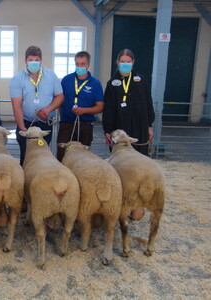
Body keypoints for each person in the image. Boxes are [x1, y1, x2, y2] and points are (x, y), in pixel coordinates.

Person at [103, 48, 155, 221]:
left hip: (139, 128)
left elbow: (148, 102)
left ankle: (138, 205)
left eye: (128, 61)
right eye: (122, 61)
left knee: (140, 165)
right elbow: (108, 109)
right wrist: (107, 130)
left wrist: (149, 125)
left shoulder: (141, 80)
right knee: (122, 167)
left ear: (133, 63)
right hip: (120, 130)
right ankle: (121, 202)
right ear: (117, 63)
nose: (125, 64)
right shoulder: (112, 83)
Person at [9, 45, 64, 165]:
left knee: (43, 156)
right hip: (26, 123)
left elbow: (60, 96)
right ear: (25, 61)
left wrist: (48, 109)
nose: (34, 63)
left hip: (45, 123)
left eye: (37, 60)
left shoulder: (51, 76)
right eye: (31, 60)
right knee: (25, 156)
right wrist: (22, 128)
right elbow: (16, 105)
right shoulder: (17, 79)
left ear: (41, 61)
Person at [57, 51, 104, 161]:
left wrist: (84, 111)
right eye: (77, 64)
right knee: (62, 154)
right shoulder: (66, 80)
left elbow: (100, 106)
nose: (80, 66)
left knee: (83, 158)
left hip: (85, 126)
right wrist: (63, 115)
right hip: (66, 124)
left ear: (88, 64)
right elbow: (60, 100)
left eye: (82, 64)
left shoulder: (95, 84)